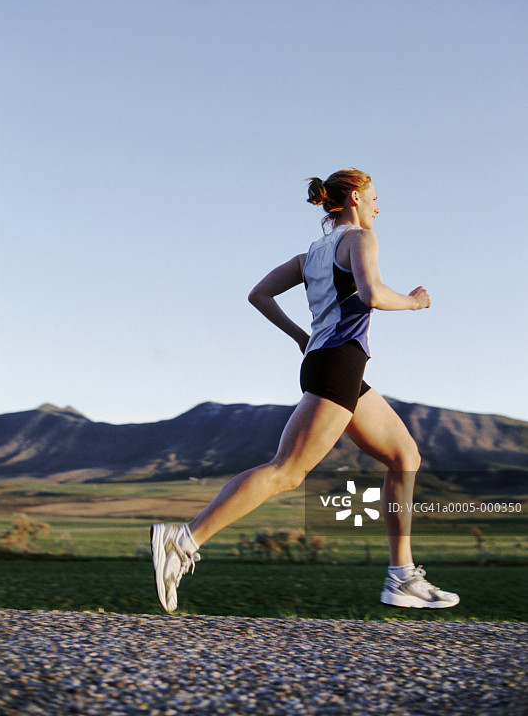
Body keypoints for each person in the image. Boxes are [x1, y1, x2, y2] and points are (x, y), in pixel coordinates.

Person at [151, 167, 459, 612]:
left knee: (404, 455)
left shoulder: (311, 255)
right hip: (338, 363)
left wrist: (300, 337)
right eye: (374, 197)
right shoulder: (359, 240)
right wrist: (414, 301)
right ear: (354, 196)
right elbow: (371, 294)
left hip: (330, 361)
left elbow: (259, 294)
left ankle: (402, 577)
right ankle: (183, 539)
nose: (378, 206)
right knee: (288, 471)